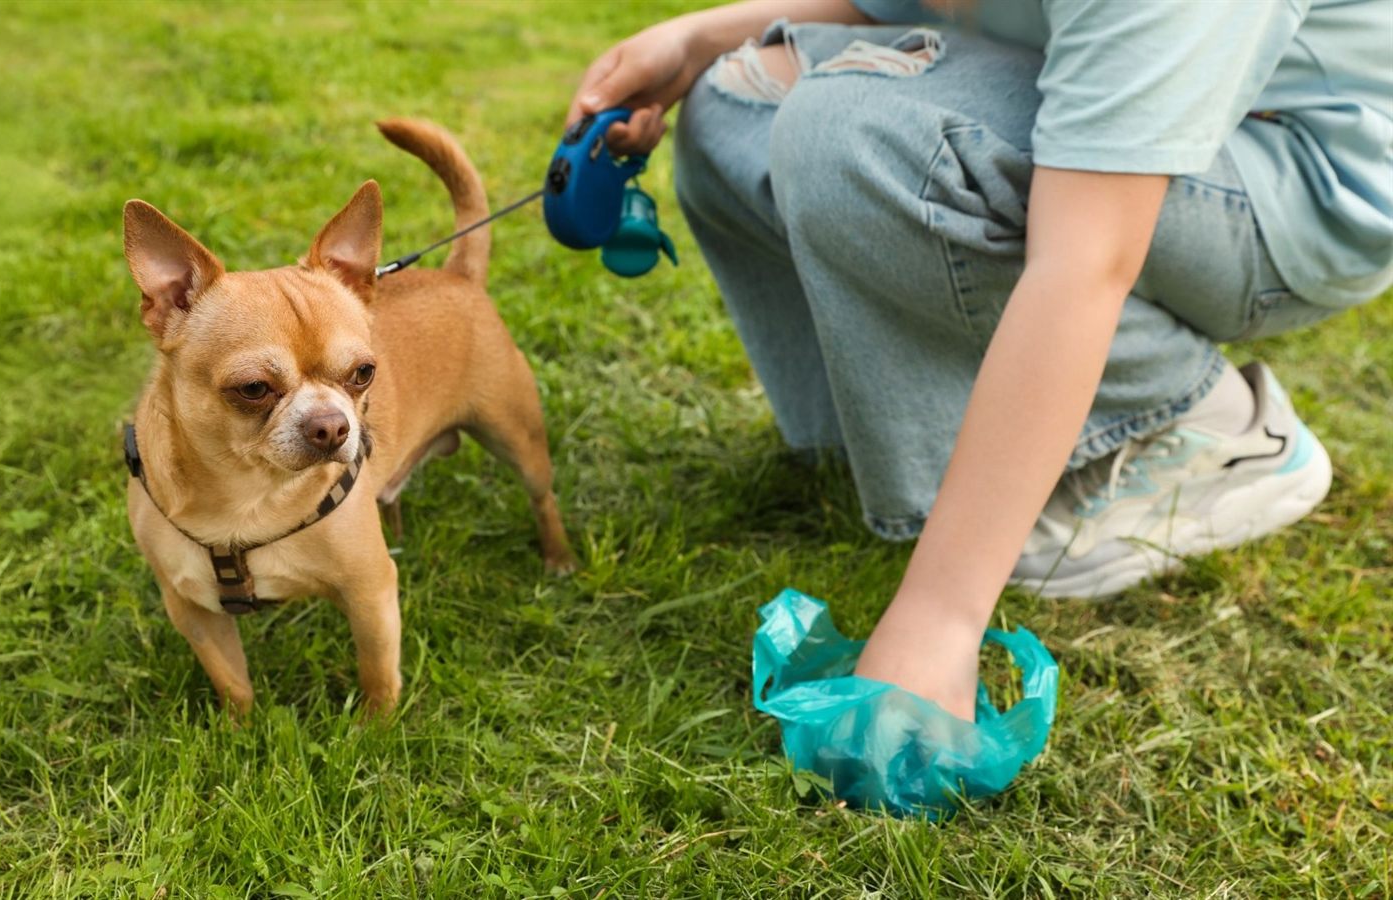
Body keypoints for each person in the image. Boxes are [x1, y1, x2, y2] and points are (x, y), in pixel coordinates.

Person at [567, 0, 1392, 719]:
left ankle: (1196, 423)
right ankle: (950, 435)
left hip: (1289, 175)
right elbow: (885, 6)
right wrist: (692, 40)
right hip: (1111, 97)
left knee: (853, 131)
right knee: (737, 92)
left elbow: (1084, 262)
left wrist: (940, 619)